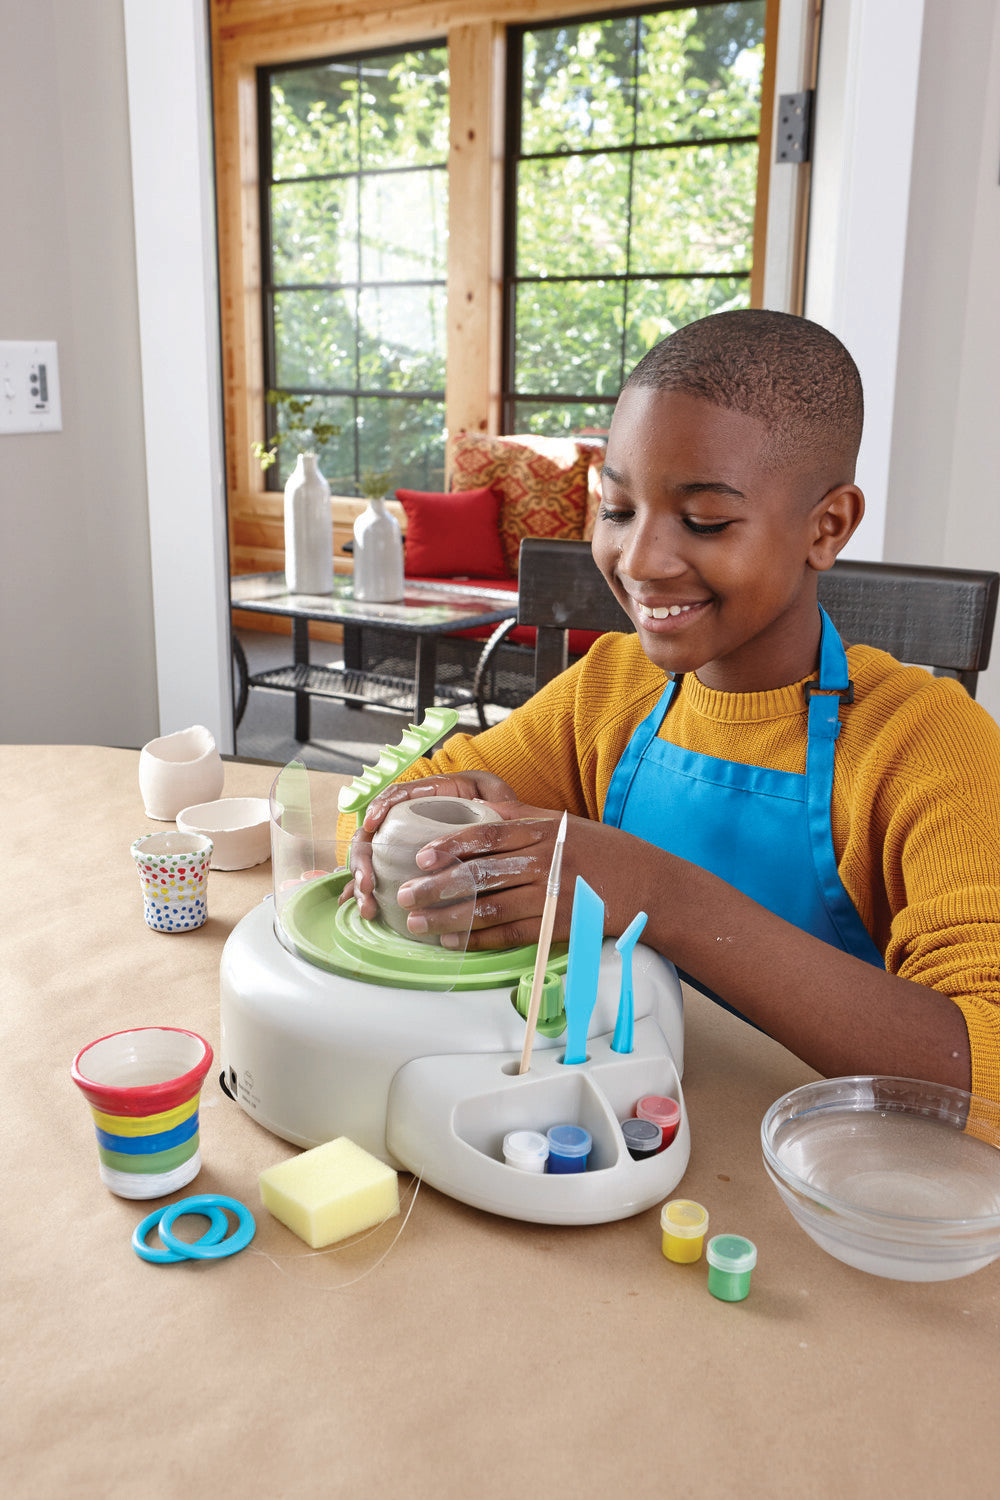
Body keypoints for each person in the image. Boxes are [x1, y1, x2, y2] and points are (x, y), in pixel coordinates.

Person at [345, 310, 1000, 1103]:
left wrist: (656, 892)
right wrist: (422, 818)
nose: (641, 560)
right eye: (617, 509)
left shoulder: (927, 743)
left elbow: (984, 1066)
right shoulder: (609, 690)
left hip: (818, 1176)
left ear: (826, 527)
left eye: (705, 521)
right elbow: (402, 801)